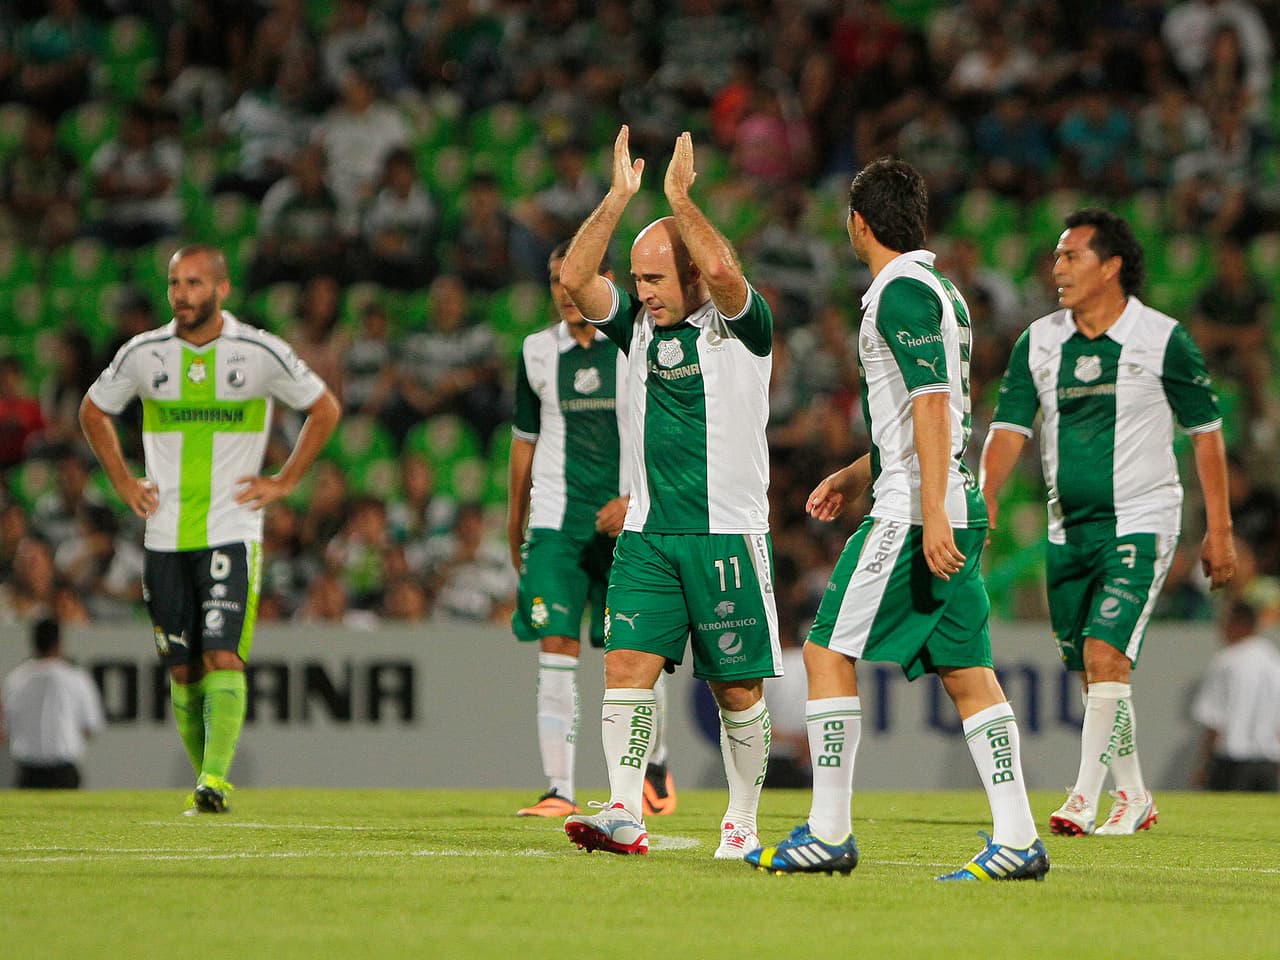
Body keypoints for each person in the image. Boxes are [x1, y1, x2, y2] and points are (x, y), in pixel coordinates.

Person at [748, 157, 1046, 882]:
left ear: (859, 222)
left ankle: (829, 830)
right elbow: (922, 415)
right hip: (944, 498)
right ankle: (1018, 838)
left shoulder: (900, 293)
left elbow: (935, 405)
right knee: (969, 672)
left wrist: (932, 514)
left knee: (824, 654)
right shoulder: (940, 291)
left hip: (918, 511)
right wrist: (855, 473)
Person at [560, 127, 779, 860]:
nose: (642, 291)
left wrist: (680, 197)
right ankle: (623, 807)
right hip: (650, 534)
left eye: (655, 279)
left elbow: (720, 265)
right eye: (639, 279)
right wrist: (621, 197)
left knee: (738, 691)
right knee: (623, 664)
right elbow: (576, 278)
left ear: (690, 276)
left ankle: (742, 820)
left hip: (726, 536)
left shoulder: (745, 329)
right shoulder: (635, 330)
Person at [981, 208, 1235, 837]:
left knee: (1105, 653)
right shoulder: (1038, 341)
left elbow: (1206, 434)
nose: (1057, 267)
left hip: (1142, 521)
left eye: (1072, 256)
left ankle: (1081, 799)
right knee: (1094, 671)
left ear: (1112, 266)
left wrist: (1220, 528)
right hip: (1068, 530)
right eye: (1057, 256)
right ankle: (1135, 796)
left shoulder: (1163, 338)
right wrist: (985, 501)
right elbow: (1009, 429)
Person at [79, 244, 340, 814]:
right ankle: (205, 779)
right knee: (182, 666)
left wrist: (286, 480)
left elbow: (325, 408)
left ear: (222, 290)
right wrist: (125, 483)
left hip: (232, 527)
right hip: (165, 532)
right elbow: (93, 410)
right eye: (175, 283)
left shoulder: (259, 351)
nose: (182, 294)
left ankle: (214, 781)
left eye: (195, 283)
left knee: (223, 655)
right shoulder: (144, 353)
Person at [507, 240, 677, 819]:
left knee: (633, 649)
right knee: (556, 645)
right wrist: (516, 524)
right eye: (555, 280)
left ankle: (654, 765)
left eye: (573, 278)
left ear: (600, 282)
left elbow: (663, 423)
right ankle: (559, 788)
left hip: (626, 522)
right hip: (556, 523)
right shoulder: (534, 352)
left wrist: (637, 500)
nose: (564, 290)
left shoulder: (633, 342)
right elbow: (522, 446)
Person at [1, 618, 105, 788]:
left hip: (28, 772)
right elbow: (90, 727)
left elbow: (4, 730)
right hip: (63, 770)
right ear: (59, 643)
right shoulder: (76, 678)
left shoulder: (15, 679)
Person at [1192, 598, 1280, 792]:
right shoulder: (1274, 660)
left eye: (1224, 622)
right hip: (1268, 762)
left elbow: (1214, 718)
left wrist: (1204, 764)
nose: (1221, 629)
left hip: (1231, 760)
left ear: (1239, 624)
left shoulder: (1226, 661)